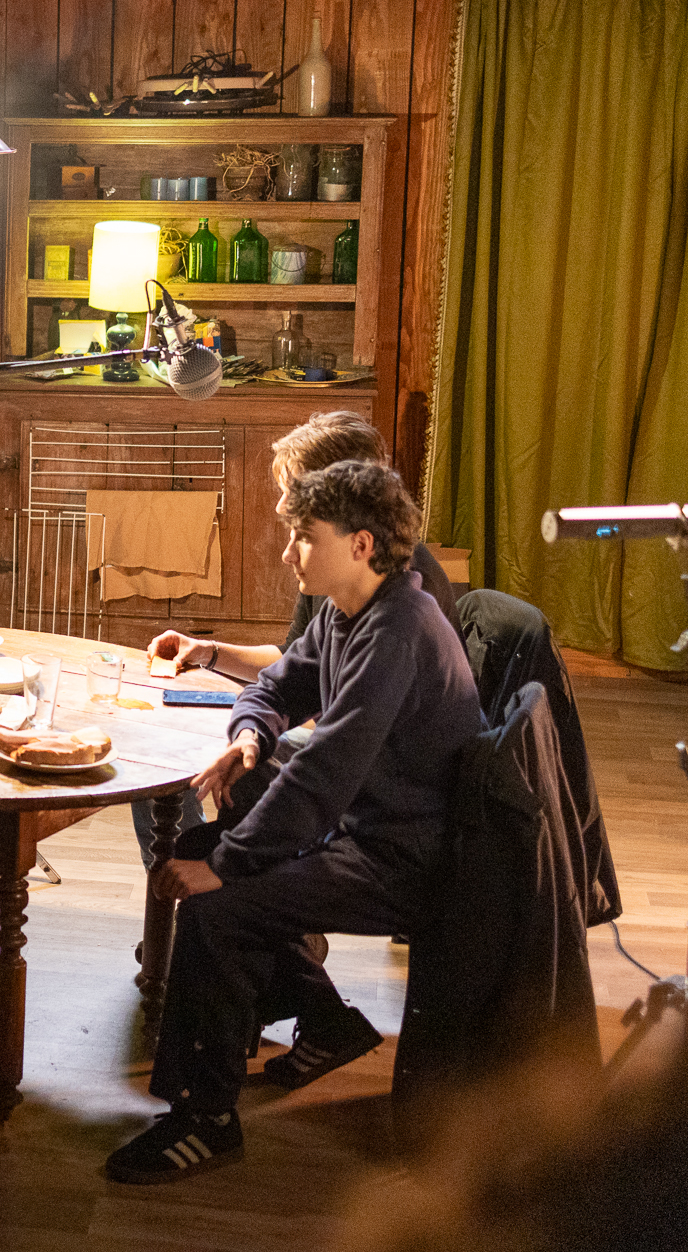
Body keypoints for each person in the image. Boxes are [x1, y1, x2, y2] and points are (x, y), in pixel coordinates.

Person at [104, 460, 483, 1184]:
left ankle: (206, 1119)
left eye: (304, 536)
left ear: (361, 544)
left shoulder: (396, 631)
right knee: (201, 844)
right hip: (369, 831)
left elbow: (323, 777)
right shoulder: (351, 610)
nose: (288, 553)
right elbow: (278, 685)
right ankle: (326, 1019)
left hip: (405, 858)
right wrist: (250, 737)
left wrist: (226, 868)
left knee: (218, 902)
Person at [132, 410, 460, 868]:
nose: (282, 505)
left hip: (385, 805)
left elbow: (333, 761)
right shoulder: (337, 581)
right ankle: (199, 868)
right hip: (349, 756)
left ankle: (219, 870)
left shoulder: (392, 596)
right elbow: (292, 664)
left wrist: (226, 865)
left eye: (294, 488)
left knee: (192, 757)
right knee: (211, 749)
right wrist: (210, 656)